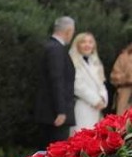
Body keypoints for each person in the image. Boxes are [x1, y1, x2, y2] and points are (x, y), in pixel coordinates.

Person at [34, 16, 76, 144]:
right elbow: (57, 80)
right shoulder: (56, 49)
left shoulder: (51, 47)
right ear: (68, 31)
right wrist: (61, 111)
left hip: (51, 112)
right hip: (54, 114)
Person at [70, 32, 108, 133]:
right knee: (81, 134)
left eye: (90, 42)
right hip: (82, 106)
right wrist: (95, 101)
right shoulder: (72, 61)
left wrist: (103, 98)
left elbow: (101, 83)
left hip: (97, 108)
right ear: (77, 44)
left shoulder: (95, 62)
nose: (87, 45)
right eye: (83, 42)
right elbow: (77, 85)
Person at [109, 41, 132, 114]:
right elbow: (114, 76)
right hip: (125, 94)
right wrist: (127, 78)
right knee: (124, 117)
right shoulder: (124, 57)